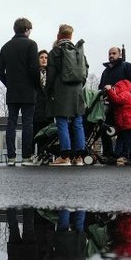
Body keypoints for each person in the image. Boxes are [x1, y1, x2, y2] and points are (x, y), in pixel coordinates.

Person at [0, 17, 40, 166]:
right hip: (28, 91)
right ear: (27, 30)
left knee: (11, 123)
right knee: (28, 123)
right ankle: (27, 157)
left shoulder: (6, 47)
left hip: (13, 91)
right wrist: (36, 85)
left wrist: (9, 83)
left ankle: (11, 157)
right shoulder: (31, 45)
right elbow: (34, 69)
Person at [46, 24, 88, 166]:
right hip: (76, 92)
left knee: (62, 123)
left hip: (60, 90)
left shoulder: (55, 52)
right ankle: (80, 157)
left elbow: (50, 75)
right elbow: (85, 72)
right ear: (71, 36)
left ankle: (65, 156)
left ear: (59, 35)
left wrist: (48, 91)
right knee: (78, 123)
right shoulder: (78, 51)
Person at [97, 46, 131, 162]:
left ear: (120, 54)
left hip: (123, 105)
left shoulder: (127, 66)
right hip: (109, 104)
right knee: (106, 128)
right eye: (109, 54)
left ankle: (127, 154)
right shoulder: (106, 71)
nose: (111, 56)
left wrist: (124, 94)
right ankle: (110, 154)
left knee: (126, 131)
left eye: (114, 53)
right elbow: (101, 87)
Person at [105, 79, 131, 166]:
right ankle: (116, 155)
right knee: (120, 140)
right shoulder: (125, 94)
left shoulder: (126, 94)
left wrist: (109, 90)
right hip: (123, 123)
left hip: (127, 122)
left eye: (116, 87)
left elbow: (117, 100)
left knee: (128, 140)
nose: (114, 89)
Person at [32, 50, 52, 161]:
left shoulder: (52, 73)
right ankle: (33, 154)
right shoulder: (34, 73)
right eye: (41, 57)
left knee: (47, 133)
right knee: (35, 133)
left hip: (48, 108)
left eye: (46, 57)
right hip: (36, 107)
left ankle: (45, 154)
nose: (44, 59)